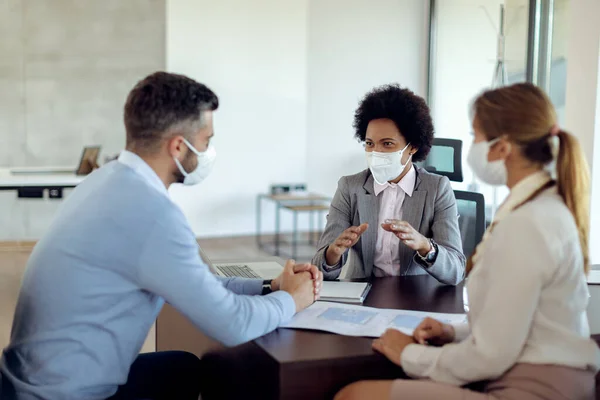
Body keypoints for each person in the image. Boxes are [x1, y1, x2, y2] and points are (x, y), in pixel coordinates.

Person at [0, 72, 323, 400]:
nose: (208, 151)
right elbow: (233, 324)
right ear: (178, 147)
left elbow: (195, 282)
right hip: (63, 396)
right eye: (206, 141)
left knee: (182, 369)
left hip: (25, 383)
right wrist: (293, 299)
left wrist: (270, 286)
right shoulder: (151, 214)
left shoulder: (105, 181)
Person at [335, 83, 600, 400]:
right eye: (370, 143)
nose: (470, 146)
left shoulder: (527, 223)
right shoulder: (536, 207)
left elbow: (490, 354)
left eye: (475, 136)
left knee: (354, 395)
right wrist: (453, 332)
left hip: (530, 385)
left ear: (503, 147)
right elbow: (512, 322)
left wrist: (409, 354)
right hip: (525, 371)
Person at [312, 84, 465, 285]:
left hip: (417, 298)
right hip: (365, 296)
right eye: (369, 143)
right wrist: (333, 253)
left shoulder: (437, 189)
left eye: (387, 144)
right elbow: (319, 269)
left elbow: (455, 271)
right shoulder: (350, 187)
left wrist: (425, 246)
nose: (376, 152)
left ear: (413, 146)